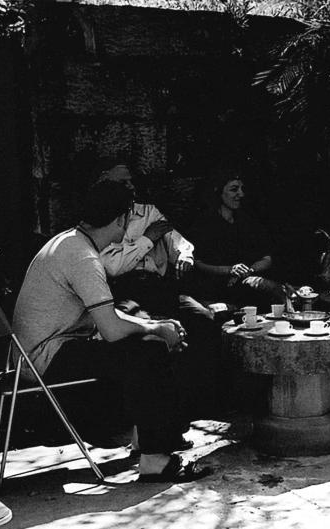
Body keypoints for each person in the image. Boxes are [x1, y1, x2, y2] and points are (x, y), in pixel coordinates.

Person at [12, 179, 209, 482]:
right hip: (45, 357)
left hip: (38, 353)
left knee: (145, 338)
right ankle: (155, 458)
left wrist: (155, 327)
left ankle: (148, 441)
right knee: (148, 350)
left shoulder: (70, 242)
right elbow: (113, 330)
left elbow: (106, 316)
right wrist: (158, 329)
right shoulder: (82, 257)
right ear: (121, 219)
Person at [95, 160, 224, 406]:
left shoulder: (148, 212)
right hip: (125, 288)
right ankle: (152, 408)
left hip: (159, 285)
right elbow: (113, 265)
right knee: (142, 334)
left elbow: (175, 239)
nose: (131, 186)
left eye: (131, 181)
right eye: (123, 182)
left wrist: (184, 255)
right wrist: (147, 238)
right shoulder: (102, 219)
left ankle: (203, 401)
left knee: (202, 319)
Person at [186, 165, 284, 310]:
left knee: (273, 289)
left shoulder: (247, 221)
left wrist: (246, 271)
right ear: (218, 192)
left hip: (242, 281)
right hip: (215, 285)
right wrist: (229, 270)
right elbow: (197, 262)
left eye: (241, 189)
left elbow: (266, 258)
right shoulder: (204, 224)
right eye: (234, 189)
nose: (241, 194)